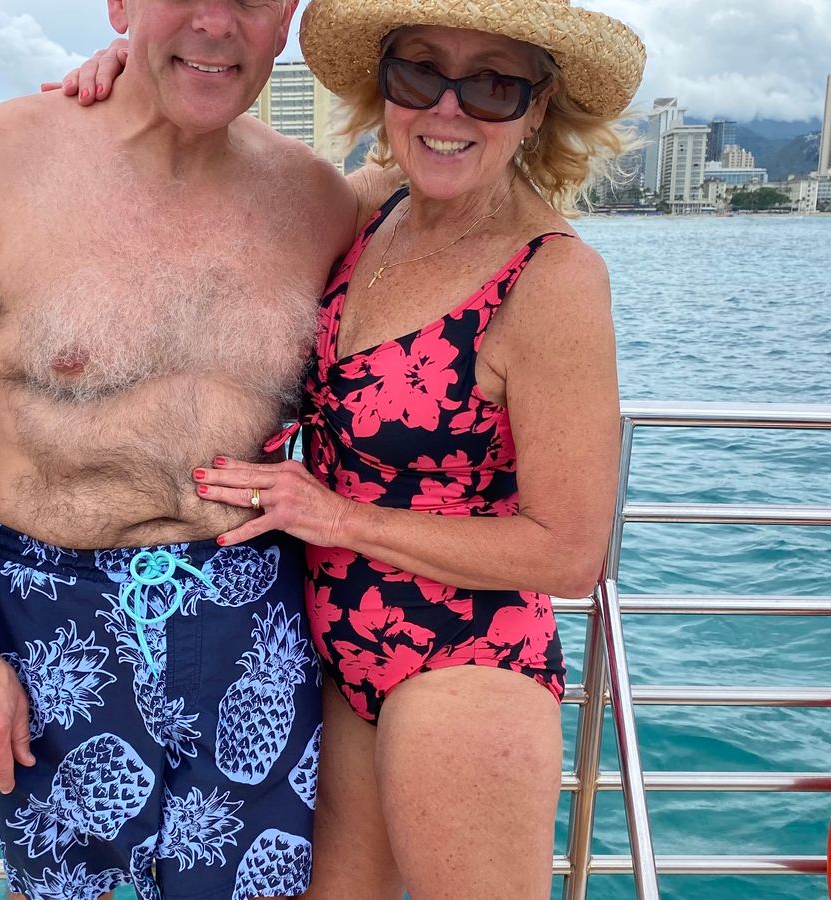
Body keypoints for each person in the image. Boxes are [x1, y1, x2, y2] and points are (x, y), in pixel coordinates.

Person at [67, 0, 645, 896]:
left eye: (492, 86)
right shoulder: (376, 207)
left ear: (537, 107)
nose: (447, 109)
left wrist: (337, 518)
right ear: (385, 89)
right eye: (420, 72)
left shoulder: (553, 278)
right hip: (332, 657)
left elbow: (569, 554)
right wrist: (131, 74)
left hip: (462, 666)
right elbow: (223, 165)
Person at [0, 1, 402, 898]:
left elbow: (456, 160)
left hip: (253, 621)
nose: (216, 22)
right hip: (49, 622)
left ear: (286, 22)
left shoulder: (319, 201)